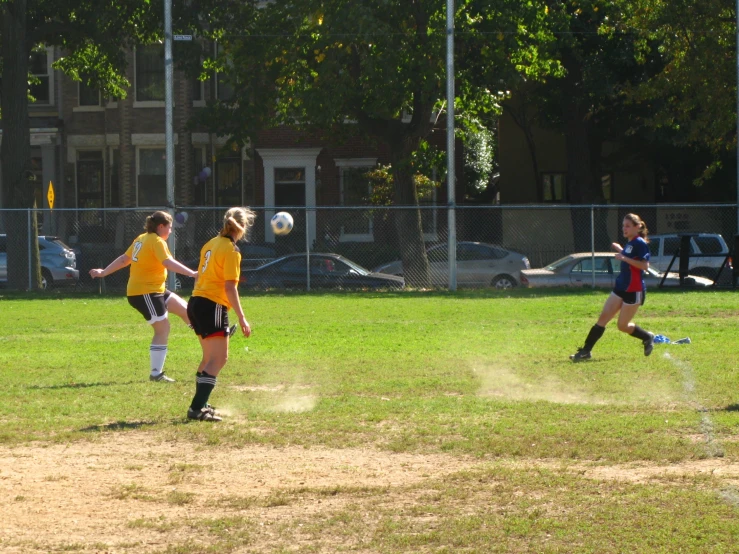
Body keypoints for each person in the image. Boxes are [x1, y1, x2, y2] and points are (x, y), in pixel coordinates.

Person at [89, 211, 199, 382]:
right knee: (163, 329)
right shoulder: (155, 241)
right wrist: (192, 273)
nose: (170, 231)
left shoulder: (142, 238)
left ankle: (213, 336)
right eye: (169, 227)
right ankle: (156, 374)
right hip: (144, 292)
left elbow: (124, 259)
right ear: (160, 226)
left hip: (156, 290)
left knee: (186, 311)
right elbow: (167, 263)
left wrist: (103, 272)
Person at [186, 207, 256, 422]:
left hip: (196, 301)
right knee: (219, 359)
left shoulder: (210, 243)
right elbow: (229, 288)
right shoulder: (232, 250)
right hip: (212, 305)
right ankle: (196, 409)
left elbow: (201, 277)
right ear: (243, 227)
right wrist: (242, 317)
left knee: (208, 358)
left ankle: (202, 405)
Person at [570, 213, 655, 362]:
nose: (624, 228)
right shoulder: (630, 243)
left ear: (638, 227)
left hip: (633, 290)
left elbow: (644, 266)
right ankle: (586, 351)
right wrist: (621, 250)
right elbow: (629, 258)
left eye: (628, 226)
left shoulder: (640, 243)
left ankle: (647, 337)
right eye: (623, 226)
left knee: (622, 326)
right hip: (620, 287)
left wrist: (623, 257)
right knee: (602, 319)